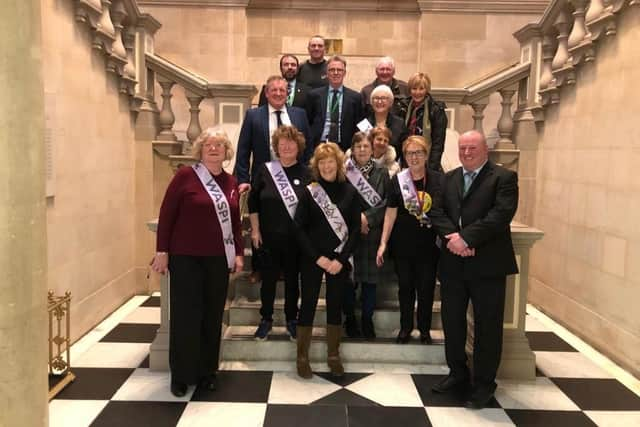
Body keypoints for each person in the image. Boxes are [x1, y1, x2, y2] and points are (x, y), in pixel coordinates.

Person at [151, 127, 244, 397]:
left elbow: (235, 224)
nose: (213, 149)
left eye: (218, 145)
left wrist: (238, 252)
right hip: (186, 259)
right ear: (200, 151)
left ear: (227, 151)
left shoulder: (231, 183)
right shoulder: (185, 176)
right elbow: (167, 215)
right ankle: (181, 374)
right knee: (185, 316)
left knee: (212, 316)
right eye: (208, 145)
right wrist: (162, 250)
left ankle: (206, 372)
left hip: (217, 260)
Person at [429, 130, 519, 410]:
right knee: (453, 322)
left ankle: (483, 384)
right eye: (463, 148)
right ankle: (457, 373)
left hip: (488, 265)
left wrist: (466, 238)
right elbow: (437, 212)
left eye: (472, 148)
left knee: (487, 326)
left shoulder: (503, 178)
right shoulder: (449, 177)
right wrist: (454, 239)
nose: (467, 152)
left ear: (485, 150)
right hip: (453, 264)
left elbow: (501, 215)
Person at [294, 142, 361, 379]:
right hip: (314, 258)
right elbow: (299, 229)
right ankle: (302, 357)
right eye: (321, 162)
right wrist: (317, 258)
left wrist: (341, 260)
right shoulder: (309, 191)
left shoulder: (350, 191)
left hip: (338, 260)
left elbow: (354, 230)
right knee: (309, 304)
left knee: (335, 304)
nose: (326, 166)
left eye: (330, 161)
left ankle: (333, 355)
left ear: (338, 163)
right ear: (316, 165)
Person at [236, 75, 311, 284]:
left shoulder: (299, 115)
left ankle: (288, 269)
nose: (278, 93)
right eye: (274, 90)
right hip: (265, 178)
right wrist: (242, 178)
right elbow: (243, 150)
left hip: (294, 176)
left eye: (282, 90)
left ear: (287, 93)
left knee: (290, 223)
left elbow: (308, 147)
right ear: (266, 93)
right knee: (264, 226)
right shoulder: (253, 116)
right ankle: (260, 268)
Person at [376, 136, 442, 345]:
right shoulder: (398, 180)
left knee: (426, 288)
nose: (414, 157)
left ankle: (424, 329)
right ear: (404, 156)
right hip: (403, 244)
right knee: (405, 288)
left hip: (429, 245)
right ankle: (406, 327)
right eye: (410, 153)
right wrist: (383, 242)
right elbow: (390, 213)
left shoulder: (439, 180)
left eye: (418, 153)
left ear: (425, 154)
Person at [248, 125, 310, 341]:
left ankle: (292, 319)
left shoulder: (307, 173)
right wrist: (255, 230)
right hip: (269, 237)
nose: (286, 146)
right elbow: (252, 201)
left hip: (296, 240)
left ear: (298, 146)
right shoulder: (265, 170)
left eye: (291, 142)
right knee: (269, 281)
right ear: (276, 146)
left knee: (293, 281)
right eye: (282, 143)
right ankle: (266, 319)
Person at [342, 132, 389, 340]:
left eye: (366, 146)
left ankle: (367, 320)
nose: (362, 149)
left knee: (370, 281)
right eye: (358, 146)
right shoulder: (344, 171)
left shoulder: (382, 172)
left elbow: (387, 202)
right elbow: (338, 200)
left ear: (372, 149)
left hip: (372, 233)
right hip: (348, 233)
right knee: (349, 281)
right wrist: (356, 220)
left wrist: (367, 219)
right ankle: (350, 319)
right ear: (352, 148)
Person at [307, 55, 363, 152]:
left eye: (339, 70)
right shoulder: (314, 95)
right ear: (327, 73)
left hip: (344, 146)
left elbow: (358, 124)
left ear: (344, 73)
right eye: (332, 70)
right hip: (319, 144)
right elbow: (308, 121)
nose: (335, 73)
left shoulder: (355, 97)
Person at [401, 72, 448, 172]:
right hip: (407, 160)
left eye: (421, 88)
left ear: (427, 90)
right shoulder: (403, 107)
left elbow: (438, 143)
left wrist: (431, 169)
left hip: (428, 162)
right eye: (414, 88)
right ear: (410, 89)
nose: (417, 92)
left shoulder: (436, 109)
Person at [365, 85, 409, 165]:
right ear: (371, 102)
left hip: (392, 168)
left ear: (390, 102)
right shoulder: (364, 123)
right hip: (367, 168)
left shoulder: (399, 123)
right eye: (376, 98)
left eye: (383, 98)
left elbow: (404, 150)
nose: (379, 101)